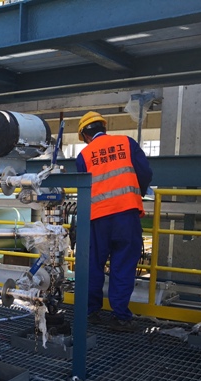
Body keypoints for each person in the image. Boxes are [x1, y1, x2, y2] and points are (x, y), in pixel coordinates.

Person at [75, 111, 153, 332]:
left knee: (93, 264)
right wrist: (136, 192)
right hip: (126, 214)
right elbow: (145, 172)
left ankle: (91, 312)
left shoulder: (83, 155)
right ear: (104, 127)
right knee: (123, 264)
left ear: (85, 135)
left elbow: (84, 187)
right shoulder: (126, 143)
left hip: (97, 218)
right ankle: (120, 317)